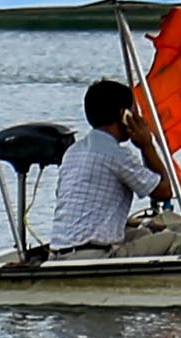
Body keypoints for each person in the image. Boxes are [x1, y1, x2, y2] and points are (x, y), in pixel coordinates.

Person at [43, 79, 174, 253]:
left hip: (59, 251)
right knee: (172, 239)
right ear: (124, 115)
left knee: (142, 233)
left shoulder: (73, 152)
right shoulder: (117, 155)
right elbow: (164, 191)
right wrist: (147, 145)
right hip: (94, 254)